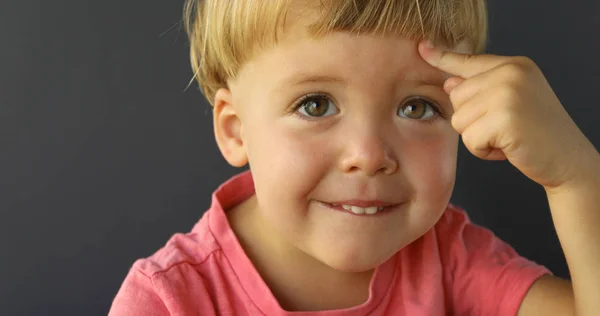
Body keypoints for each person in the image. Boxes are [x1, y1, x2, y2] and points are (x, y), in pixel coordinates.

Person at [109, 0, 600, 315]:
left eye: (417, 106)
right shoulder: (168, 301)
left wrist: (577, 180)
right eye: (315, 105)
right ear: (236, 129)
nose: (368, 156)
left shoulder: (448, 257)